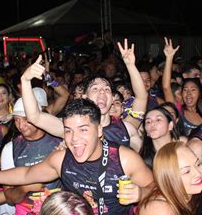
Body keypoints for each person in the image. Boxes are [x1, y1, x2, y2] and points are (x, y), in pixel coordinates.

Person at [0, 98, 154, 215]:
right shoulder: (62, 159)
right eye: (68, 131)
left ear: (100, 130)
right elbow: (27, 173)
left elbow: (157, 188)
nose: (74, 139)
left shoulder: (124, 159)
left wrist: (141, 192)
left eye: (83, 129)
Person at [19, 39, 147, 151]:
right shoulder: (72, 128)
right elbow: (34, 117)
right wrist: (25, 80)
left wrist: (130, 66)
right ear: (84, 97)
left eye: (107, 89)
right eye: (95, 89)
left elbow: (141, 97)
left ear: (112, 99)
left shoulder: (126, 128)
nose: (102, 92)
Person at [130, 142, 202, 215]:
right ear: (169, 178)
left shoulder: (188, 195)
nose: (198, 173)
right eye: (187, 171)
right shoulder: (161, 213)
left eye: (198, 164)